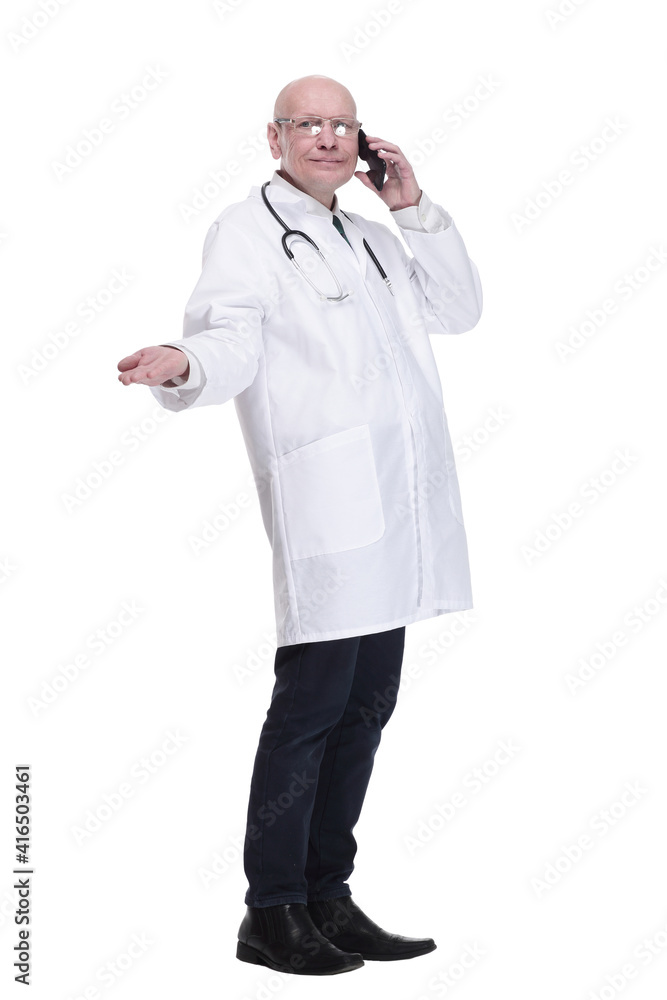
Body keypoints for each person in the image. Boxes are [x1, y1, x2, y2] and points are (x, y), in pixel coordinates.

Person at [117, 74, 482, 977]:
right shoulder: (246, 231)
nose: (326, 137)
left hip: (398, 512)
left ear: (363, 143)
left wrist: (413, 208)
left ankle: (328, 896)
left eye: (341, 124)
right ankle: (271, 910)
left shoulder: (374, 237)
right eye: (307, 123)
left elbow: (457, 311)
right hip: (333, 506)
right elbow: (230, 332)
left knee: (366, 709)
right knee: (310, 711)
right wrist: (185, 360)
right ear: (273, 138)